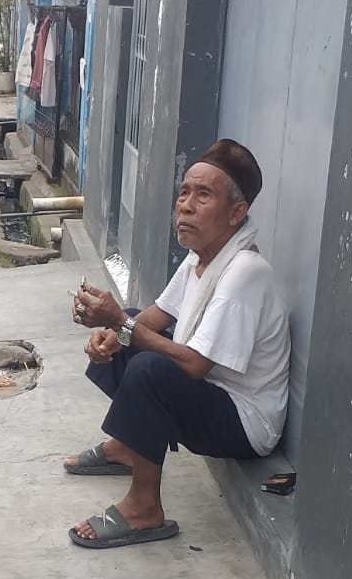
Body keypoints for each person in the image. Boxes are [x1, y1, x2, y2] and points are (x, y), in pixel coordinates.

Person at [64, 140, 290, 550]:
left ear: (236, 213)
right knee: (132, 330)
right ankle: (129, 446)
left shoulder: (245, 271)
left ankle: (144, 508)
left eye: (203, 195)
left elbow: (196, 365)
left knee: (149, 366)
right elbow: (155, 316)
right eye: (184, 192)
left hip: (245, 423)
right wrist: (111, 331)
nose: (185, 205)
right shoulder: (200, 257)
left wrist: (120, 322)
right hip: (212, 394)